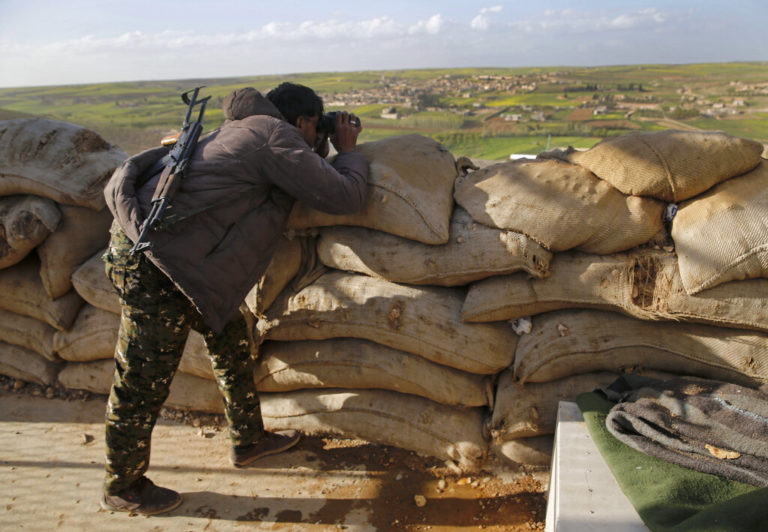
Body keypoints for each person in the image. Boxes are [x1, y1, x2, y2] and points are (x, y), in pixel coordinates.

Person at [100, 82, 368, 515]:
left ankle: (249, 440)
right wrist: (347, 148)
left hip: (190, 264)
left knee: (230, 339)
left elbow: (294, 172)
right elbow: (346, 195)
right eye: (315, 130)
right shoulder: (272, 135)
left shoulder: (248, 129)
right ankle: (122, 483)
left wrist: (319, 144)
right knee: (143, 377)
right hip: (157, 265)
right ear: (301, 122)